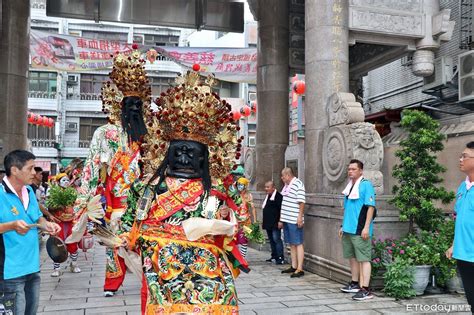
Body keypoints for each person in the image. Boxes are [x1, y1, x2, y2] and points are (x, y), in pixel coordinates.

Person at [121, 70, 243, 314]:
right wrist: (127, 236)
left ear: (204, 158)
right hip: (161, 262)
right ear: (166, 154)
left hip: (206, 265)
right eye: (179, 151)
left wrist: (228, 219)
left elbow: (239, 221)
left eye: (192, 153)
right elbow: (130, 220)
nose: (185, 158)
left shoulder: (217, 189)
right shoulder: (149, 188)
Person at [71, 44, 151, 298]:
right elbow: (91, 169)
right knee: (113, 243)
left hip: (145, 200)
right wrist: (83, 201)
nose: (136, 110)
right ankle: (113, 282)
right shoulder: (104, 133)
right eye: (133, 105)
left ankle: (146, 281)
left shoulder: (149, 134)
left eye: (139, 105)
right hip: (115, 200)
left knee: (144, 243)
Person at [0, 150, 61, 315]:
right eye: (31, 168)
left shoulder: (29, 192)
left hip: (33, 267)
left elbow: (38, 218)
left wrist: (46, 224)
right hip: (10, 271)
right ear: (14, 170)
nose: (34, 173)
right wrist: (11, 225)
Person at [338, 159, 376, 301]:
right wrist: (342, 226)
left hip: (360, 229)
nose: (350, 171)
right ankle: (354, 283)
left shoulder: (366, 185)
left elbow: (370, 207)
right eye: (349, 169)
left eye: (353, 169)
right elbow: (347, 209)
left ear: (360, 171)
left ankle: (365, 290)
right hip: (348, 229)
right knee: (352, 258)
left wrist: (366, 227)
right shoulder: (349, 187)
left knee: (364, 259)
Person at [446, 141, 474, 310]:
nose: (460, 159)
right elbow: (460, 219)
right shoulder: (463, 187)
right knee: (471, 299)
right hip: (464, 255)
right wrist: (454, 244)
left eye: (465, 156)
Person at [48, 173, 82, 277]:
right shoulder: (53, 193)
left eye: (67, 180)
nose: (66, 182)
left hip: (71, 222)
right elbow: (49, 207)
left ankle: (74, 264)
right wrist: (58, 207)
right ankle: (56, 268)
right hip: (59, 223)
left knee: (73, 243)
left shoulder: (73, 192)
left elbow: (78, 205)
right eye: (63, 180)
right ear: (58, 182)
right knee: (57, 244)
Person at [279, 167, 306, 278]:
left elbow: (302, 202)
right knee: (291, 243)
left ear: (288, 175)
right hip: (287, 218)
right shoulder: (286, 186)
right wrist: (281, 218)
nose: (282, 178)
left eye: (283, 176)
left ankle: (300, 268)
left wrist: (300, 217)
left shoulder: (298, 184)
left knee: (298, 243)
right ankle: (294, 265)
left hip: (294, 219)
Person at [262, 180, 284, 264]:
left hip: (275, 222)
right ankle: (273, 255)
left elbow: (281, 209)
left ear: (273, 187)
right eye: (265, 187)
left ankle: (280, 257)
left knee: (276, 239)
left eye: (268, 187)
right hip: (268, 222)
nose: (266, 189)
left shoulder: (278, 196)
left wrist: (280, 221)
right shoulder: (268, 196)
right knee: (271, 239)